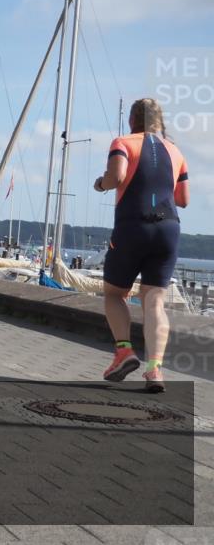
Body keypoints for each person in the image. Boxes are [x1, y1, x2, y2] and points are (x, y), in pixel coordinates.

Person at [94, 98, 189, 393]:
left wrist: (101, 183)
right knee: (155, 302)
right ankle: (155, 370)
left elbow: (117, 176)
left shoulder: (123, 142)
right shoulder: (176, 152)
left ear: (132, 120)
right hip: (168, 229)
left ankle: (124, 351)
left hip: (133, 225)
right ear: (160, 122)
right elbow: (183, 199)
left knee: (114, 294)